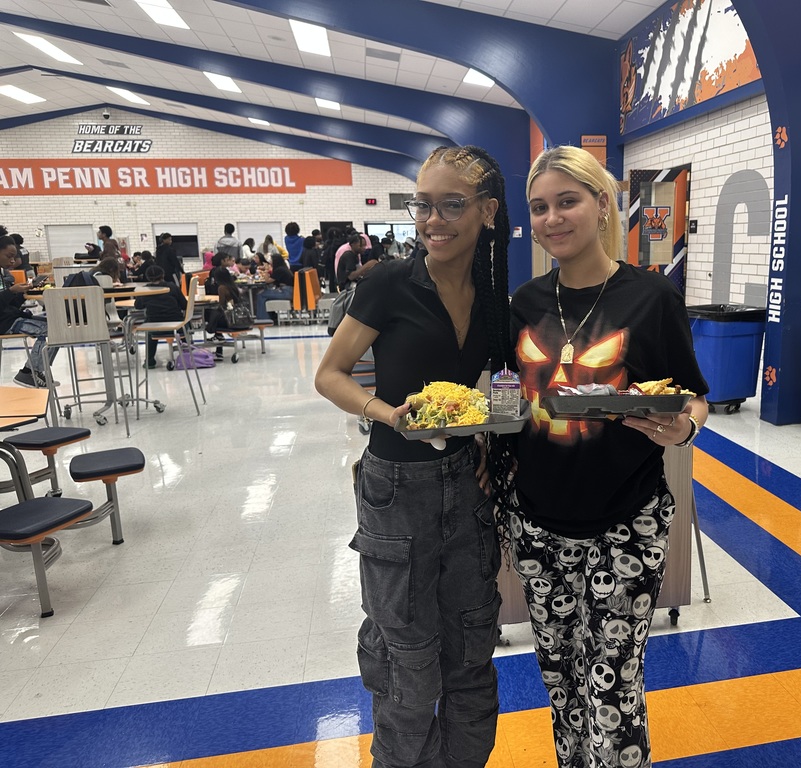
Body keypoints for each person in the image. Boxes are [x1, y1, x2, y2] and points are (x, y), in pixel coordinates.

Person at [506, 145, 710, 768]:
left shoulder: (650, 298)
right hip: (538, 522)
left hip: (626, 518)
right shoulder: (523, 304)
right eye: (540, 207)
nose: (552, 218)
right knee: (562, 683)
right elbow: (505, 396)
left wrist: (684, 431)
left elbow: (694, 395)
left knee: (613, 686)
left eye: (567, 201)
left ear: (602, 204)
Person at [314, 145, 512, 768]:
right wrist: (388, 414)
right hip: (395, 487)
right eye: (423, 205)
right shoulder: (388, 284)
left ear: (487, 211)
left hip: (465, 485)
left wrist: (484, 437)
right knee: (408, 667)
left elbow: (489, 390)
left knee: (471, 660)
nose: (434, 221)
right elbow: (331, 374)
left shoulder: (493, 294)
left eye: (452, 205)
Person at [0, 235, 58, 387]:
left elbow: (9, 304)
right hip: (5, 323)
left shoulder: (3, 274)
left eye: (14, 257)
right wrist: (12, 290)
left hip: (10, 317)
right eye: (9, 256)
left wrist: (23, 293)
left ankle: (37, 371)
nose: (13, 261)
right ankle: (29, 372)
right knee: (51, 329)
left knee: (58, 327)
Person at [134, 265, 187, 369]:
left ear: (147, 277)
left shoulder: (144, 290)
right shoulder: (172, 286)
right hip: (177, 327)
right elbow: (184, 305)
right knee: (184, 324)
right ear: (163, 275)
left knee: (149, 325)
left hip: (155, 328)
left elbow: (138, 306)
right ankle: (187, 355)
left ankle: (149, 361)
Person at [205, 266, 242, 361]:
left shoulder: (222, 288)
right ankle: (218, 341)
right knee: (216, 315)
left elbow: (222, 305)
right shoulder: (233, 286)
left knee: (212, 313)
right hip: (237, 316)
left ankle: (217, 335)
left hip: (228, 320)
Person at [254, 253, 293, 321]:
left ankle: (263, 319)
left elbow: (267, 280)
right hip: (288, 291)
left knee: (261, 295)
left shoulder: (279, 270)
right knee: (264, 295)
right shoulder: (283, 268)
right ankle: (270, 316)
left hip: (285, 292)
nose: (270, 262)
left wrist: (266, 270)